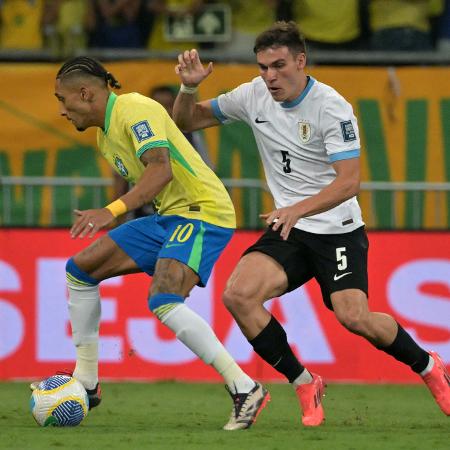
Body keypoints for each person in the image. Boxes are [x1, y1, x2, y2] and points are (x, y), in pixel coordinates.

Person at [172, 21, 450, 426]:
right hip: (290, 227)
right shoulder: (252, 95)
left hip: (336, 229)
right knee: (238, 295)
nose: (270, 76)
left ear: (301, 61)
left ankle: (428, 367)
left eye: (279, 65)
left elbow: (349, 181)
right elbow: (186, 121)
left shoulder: (331, 107)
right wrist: (188, 88)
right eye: (264, 66)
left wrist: (298, 209)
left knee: (354, 317)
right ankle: (304, 381)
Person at [30, 56, 270, 431]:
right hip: (166, 217)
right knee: (80, 270)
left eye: (63, 100)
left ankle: (245, 387)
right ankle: (88, 383)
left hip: (202, 212)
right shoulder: (104, 134)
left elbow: (161, 168)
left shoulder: (134, 109)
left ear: (85, 92)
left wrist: (112, 210)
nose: (61, 110)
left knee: (163, 298)